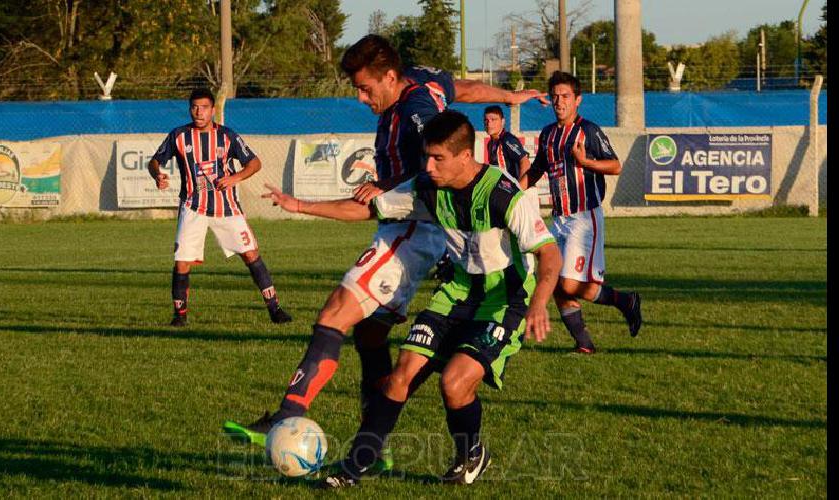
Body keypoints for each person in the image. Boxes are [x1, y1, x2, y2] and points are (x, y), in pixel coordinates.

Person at [222, 35, 548, 469]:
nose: (361, 98)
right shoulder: (423, 81)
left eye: (365, 88)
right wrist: (510, 96)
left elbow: (438, 159)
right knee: (370, 334)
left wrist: (393, 185)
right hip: (416, 227)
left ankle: (287, 415)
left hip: (410, 229)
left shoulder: (415, 114)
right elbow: (462, 88)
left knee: (336, 311)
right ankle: (375, 447)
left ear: (390, 77)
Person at [261, 110, 561, 488]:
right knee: (399, 375)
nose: (429, 166)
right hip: (456, 293)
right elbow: (368, 208)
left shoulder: (504, 196)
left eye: (438, 158)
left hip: (503, 301)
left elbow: (549, 253)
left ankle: (471, 453)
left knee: (454, 383)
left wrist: (538, 305)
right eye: (426, 157)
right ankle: (353, 470)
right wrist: (299, 205)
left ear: (465, 157)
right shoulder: (427, 187)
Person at [147, 88, 292, 327]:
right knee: (182, 261)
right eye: (194, 107)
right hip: (193, 207)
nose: (198, 112)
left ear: (213, 110)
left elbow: (254, 163)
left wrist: (235, 178)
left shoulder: (227, 136)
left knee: (251, 254)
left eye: (204, 107)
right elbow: (155, 160)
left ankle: (275, 309)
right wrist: (157, 175)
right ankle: (179, 316)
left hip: (227, 208)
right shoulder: (179, 136)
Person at [524, 71, 643, 354]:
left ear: (578, 100)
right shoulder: (548, 134)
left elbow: (615, 165)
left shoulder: (587, 130)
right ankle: (584, 344)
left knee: (567, 282)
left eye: (565, 96)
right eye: (555, 97)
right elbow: (537, 169)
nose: (559, 102)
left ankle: (625, 301)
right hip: (559, 218)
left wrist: (585, 161)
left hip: (584, 217)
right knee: (553, 280)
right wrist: (512, 195)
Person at [482, 105, 531, 181]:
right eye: (486, 120)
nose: (489, 124)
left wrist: (519, 188)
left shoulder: (508, 140)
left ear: (503, 121)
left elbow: (525, 163)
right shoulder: (490, 144)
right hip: (505, 188)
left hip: (520, 190)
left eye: (493, 120)